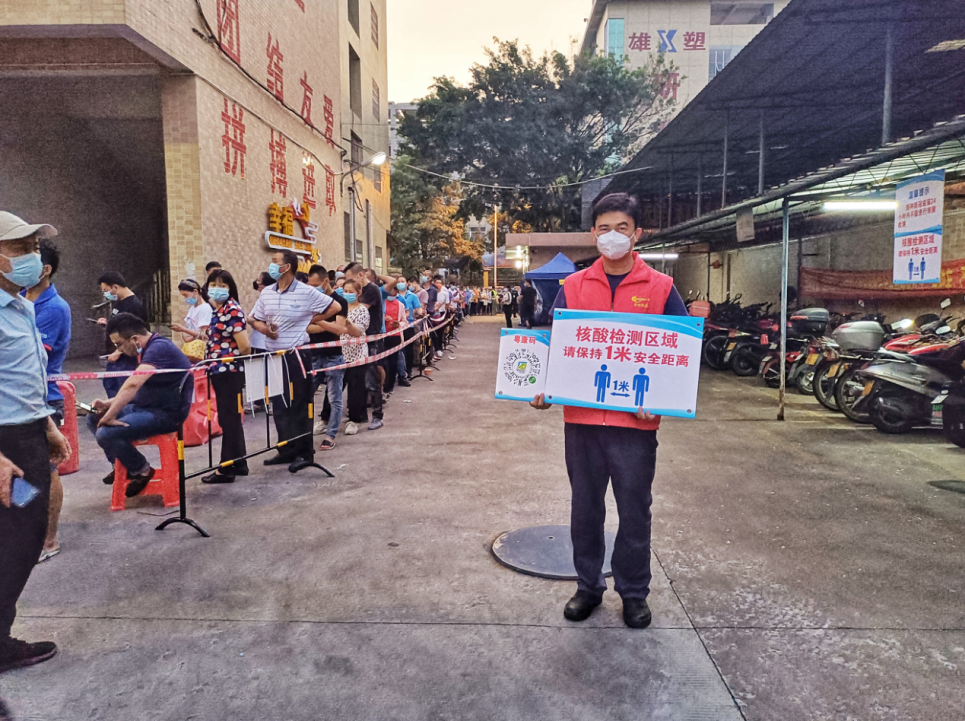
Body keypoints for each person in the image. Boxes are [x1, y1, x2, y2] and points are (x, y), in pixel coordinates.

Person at [530, 192, 689, 630]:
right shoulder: (574, 286)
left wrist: (662, 397)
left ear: (637, 234)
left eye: (622, 228)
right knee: (585, 509)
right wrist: (544, 386)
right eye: (604, 228)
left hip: (635, 425)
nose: (612, 236)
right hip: (581, 422)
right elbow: (558, 345)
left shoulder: (661, 287)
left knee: (635, 510)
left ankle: (634, 593)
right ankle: (588, 586)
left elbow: (682, 349)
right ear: (593, 234)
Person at [0, 211, 72, 674]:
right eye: (18, 248)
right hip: (4, 444)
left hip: (26, 434)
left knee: (22, 536)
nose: (32, 256)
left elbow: (24, 378)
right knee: (16, 540)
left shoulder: (21, 305)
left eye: (33, 247)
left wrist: (46, 425)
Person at [87, 313, 193, 495]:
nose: (118, 350)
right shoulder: (146, 350)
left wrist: (111, 415)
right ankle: (121, 465)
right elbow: (138, 390)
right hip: (146, 406)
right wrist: (107, 404)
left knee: (105, 432)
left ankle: (142, 470)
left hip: (166, 413)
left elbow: (133, 384)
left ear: (134, 339)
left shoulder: (159, 348)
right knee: (93, 417)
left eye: (119, 344)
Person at [250, 250, 337, 471]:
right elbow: (253, 318)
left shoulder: (305, 291)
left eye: (275, 262)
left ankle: (304, 453)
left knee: (299, 404)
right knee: (280, 406)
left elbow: (335, 307)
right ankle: (286, 449)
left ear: (287, 267)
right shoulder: (267, 292)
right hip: (274, 355)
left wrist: (308, 319)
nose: (271, 265)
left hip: (296, 355)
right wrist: (265, 330)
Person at [23, 240, 71, 563]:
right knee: (20, 468)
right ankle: (26, 527)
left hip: (44, 398)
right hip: (17, 398)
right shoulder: (18, 300)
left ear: (45, 269)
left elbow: (34, 356)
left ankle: (48, 539)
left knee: (46, 469)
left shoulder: (54, 308)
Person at [200, 269, 250, 483]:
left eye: (222, 285)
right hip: (219, 371)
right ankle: (240, 463)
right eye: (213, 285)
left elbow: (244, 346)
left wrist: (229, 359)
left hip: (228, 371)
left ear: (230, 288)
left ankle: (226, 468)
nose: (216, 289)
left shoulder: (232, 310)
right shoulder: (218, 309)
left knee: (228, 419)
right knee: (230, 419)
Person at [306, 264, 361, 451]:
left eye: (315, 285)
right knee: (305, 395)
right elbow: (306, 328)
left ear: (325, 282)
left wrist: (317, 320)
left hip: (334, 356)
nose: (312, 288)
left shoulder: (339, 301)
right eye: (309, 285)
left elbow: (339, 329)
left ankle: (330, 435)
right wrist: (324, 324)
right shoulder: (311, 300)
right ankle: (303, 432)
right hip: (313, 356)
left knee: (335, 398)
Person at [344, 264, 385, 431]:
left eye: (350, 279)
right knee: (355, 381)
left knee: (370, 380)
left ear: (360, 275)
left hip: (370, 340)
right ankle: (357, 413)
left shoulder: (371, 290)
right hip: (354, 342)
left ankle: (377, 415)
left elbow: (358, 312)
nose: (348, 285)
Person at [340, 279, 371, 436]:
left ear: (358, 293)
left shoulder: (362, 310)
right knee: (334, 388)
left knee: (356, 389)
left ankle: (355, 419)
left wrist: (346, 322)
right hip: (340, 354)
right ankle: (326, 418)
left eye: (350, 291)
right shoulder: (339, 308)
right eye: (345, 291)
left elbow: (357, 331)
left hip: (357, 354)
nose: (347, 294)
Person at [381, 278, 409, 393]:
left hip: (395, 336)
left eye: (393, 290)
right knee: (383, 363)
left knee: (393, 362)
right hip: (382, 336)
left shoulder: (400, 305)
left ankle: (390, 386)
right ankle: (382, 385)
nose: (391, 292)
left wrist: (399, 324)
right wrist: (383, 318)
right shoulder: (381, 302)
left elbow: (404, 321)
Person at [170, 278, 213, 347]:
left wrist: (183, 329)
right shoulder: (192, 309)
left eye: (186, 295)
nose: (186, 298)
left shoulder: (205, 308)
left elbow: (204, 334)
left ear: (195, 291)